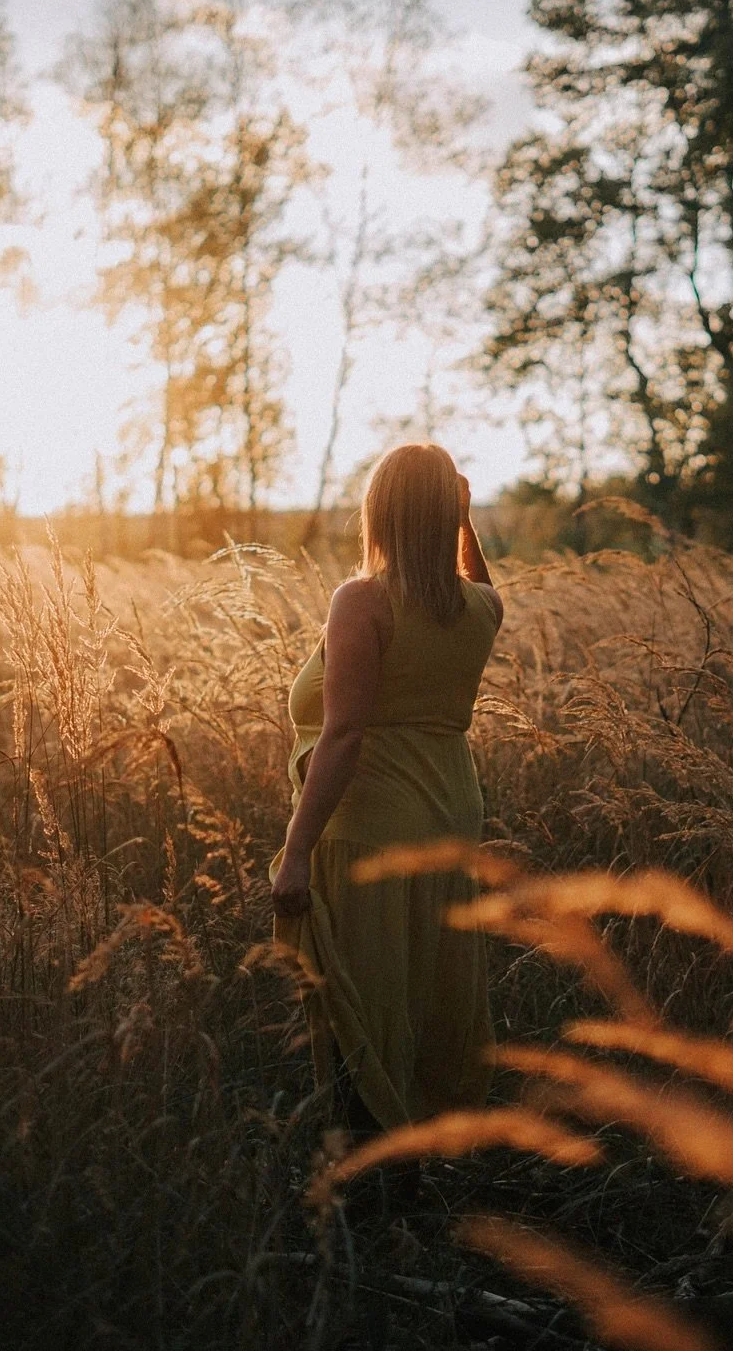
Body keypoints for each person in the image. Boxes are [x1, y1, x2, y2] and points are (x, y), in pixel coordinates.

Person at [269, 442, 503, 1132]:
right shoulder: (480, 608)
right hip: (451, 819)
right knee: (430, 993)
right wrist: (464, 525)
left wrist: (299, 851)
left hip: (370, 826)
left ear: (378, 511)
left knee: (359, 1007)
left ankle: (369, 1178)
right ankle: (421, 1156)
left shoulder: (362, 601)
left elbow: (343, 736)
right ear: (447, 514)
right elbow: (483, 587)